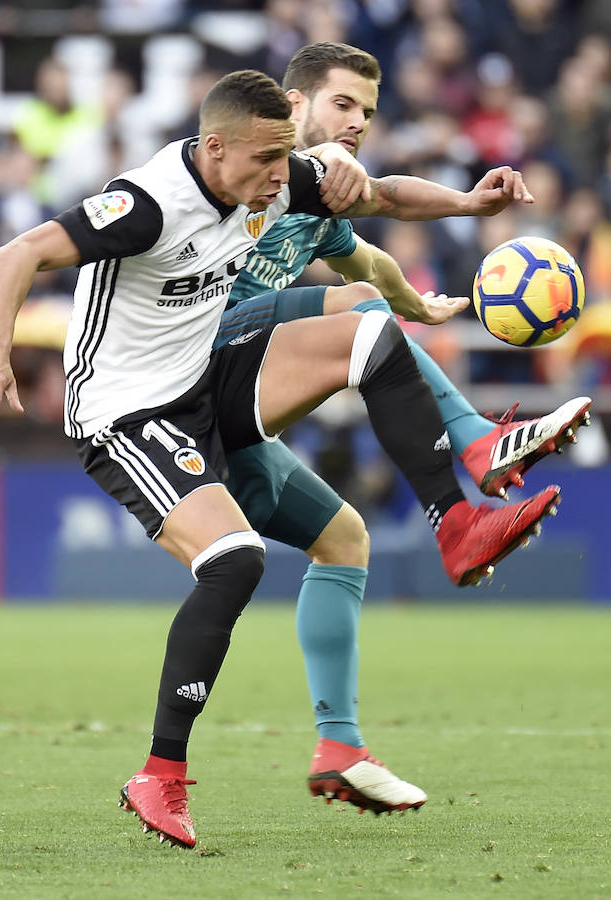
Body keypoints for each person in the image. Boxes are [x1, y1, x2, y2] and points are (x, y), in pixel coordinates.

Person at [0, 69, 563, 849]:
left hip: (204, 380)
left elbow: (380, 197)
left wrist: (469, 203)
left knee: (372, 329)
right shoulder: (145, 204)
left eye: (286, 163)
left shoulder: (270, 179)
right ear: (213, 149)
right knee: (235, 559)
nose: (282, 179)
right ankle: (160, 774)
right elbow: (18, 252)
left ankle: (456, 521)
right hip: (128, 413)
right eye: (266, 163)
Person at [212, 42, 592, 816]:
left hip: (232, 417)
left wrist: (418, 305)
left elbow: (375, 262)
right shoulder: (244, 164)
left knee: (343, 540)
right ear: (293, 105)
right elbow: (383, 203)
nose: (355, 123)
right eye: (342, 104)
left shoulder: (318, 204)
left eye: (367, 112)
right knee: (360, 315)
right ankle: (477, 444)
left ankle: (340, 747)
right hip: (186, 378)